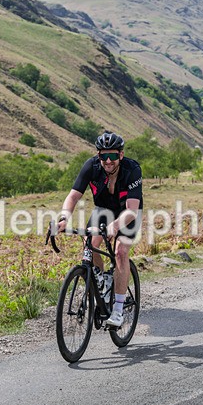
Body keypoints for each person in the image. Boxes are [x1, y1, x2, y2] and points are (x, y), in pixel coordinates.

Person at [56, 131, 143, 327]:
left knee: (121, 252)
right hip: (103, 210)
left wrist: (114, 226)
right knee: (90, 243)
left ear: (120, 155)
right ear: (98, 156)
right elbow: (73, 196)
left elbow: (132, 210)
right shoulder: (91, 167)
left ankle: (119, 310)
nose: (108, 161)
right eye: (104, 156)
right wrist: (63, 218)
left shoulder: (132, 169)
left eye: (113, 155)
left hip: (127, 212)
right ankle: (103, 281)